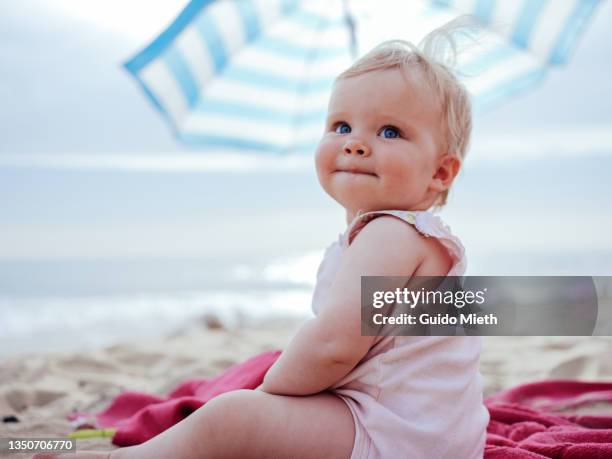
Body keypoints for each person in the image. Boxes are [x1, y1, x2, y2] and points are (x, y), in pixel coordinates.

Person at [35, 17, 489, 459]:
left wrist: (269, 392)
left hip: (393, 437)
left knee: (233, 417)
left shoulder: (389, 235)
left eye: (390, 131)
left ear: (440, 172)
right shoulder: (414, 240)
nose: (356, 143)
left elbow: (333, 347)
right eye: (341, 126)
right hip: (426, 432)